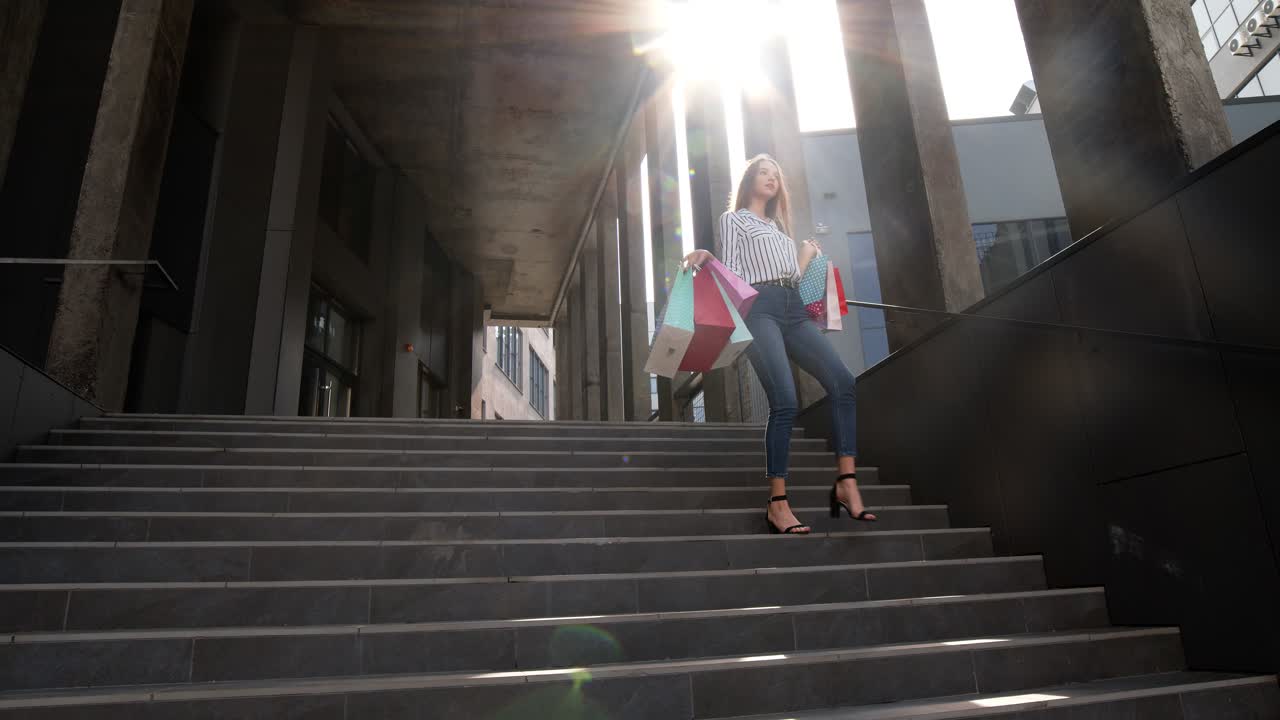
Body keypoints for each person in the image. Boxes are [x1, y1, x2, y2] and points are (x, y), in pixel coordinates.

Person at [683, 154, 876, 534]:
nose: (771, 178)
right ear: (749, 179)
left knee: (843, 382)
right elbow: (736, 273)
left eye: (776, 174)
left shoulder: (779, 230)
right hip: (759, 309)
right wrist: (709, 258)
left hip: (793, 307)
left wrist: (803, 255)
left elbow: (792, 276)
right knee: (785, 400)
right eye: (763, 172)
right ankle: (777, 502)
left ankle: (846, 481)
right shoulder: (734, 219)